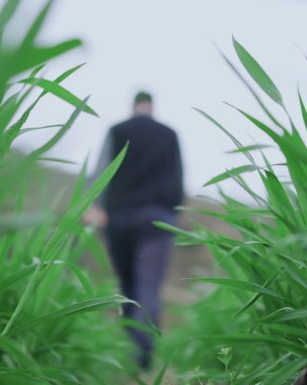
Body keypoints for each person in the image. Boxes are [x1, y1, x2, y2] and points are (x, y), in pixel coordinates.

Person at [84, 91, 183, 369]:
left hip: (120, 220)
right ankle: (142, 357)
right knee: (147, 287)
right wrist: (172, 214)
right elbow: (178, 178)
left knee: (127, 287)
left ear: (133, 106)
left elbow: (102, 169)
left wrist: (93, 205)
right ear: (152, 106)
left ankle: (131, 350)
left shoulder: (118, 130)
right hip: (157, 222)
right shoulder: (169, 134)